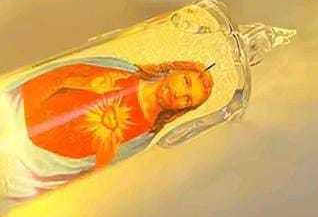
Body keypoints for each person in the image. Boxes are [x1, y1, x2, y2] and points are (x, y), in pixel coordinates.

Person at [18, 58, 213, 168]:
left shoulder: (145, 136)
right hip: (19, 117)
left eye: (187, 100)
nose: (179, 94)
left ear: (183, 109)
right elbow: (59, 73)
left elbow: (91, 166)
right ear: (175, 70)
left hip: (39, 161)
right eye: (185, 81)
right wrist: (84, 83)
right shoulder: (123, 70)